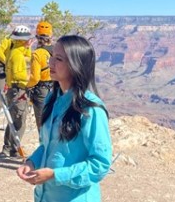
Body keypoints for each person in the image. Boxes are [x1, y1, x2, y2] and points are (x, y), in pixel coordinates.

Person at [17, 35, 112, 201]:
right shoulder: (52, 99)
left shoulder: (90, 109)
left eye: (59, 59)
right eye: (52, 56)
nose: (50, 63)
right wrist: (32, 162)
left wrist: (55, 175)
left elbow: (100, 165)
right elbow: (47, 146)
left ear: (76, 65)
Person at [0, 26, 32, 135]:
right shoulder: (8, 40)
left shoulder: (25, 45)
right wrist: (9, 62)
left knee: (13, 99)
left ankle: (10, 124)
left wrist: (18, 60)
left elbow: (28, 56)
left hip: (16, 71)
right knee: (0, 96)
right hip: (4, 70)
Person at [1, 25, 33, 158]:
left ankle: (7, 147)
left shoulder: (14, 51)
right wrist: (31, 80)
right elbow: (18, 75)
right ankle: (14, 149)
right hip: (19, 90)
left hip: (12, 89)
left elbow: (28, 56)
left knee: (12, 119)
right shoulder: (18, 55)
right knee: (19, 121)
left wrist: (28, 47)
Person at [26, 21, 54, 130]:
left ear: (37, 36)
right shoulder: (57, 50)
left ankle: (44, 146)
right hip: (56, 89)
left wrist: (27, 86)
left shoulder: (37, 54)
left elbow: (35, 78)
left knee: (42, 124)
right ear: (50, 35)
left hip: (42, 91)